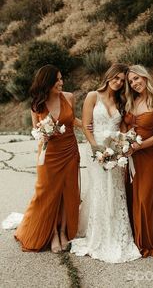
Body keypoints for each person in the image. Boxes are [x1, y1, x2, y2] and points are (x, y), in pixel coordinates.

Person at [70, 63, 141, 263]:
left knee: (116, 189)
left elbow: (125, 126)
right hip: (96, 150)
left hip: (116, 150)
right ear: (108, 76)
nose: (118, 83)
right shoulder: (93, 96)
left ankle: (118, 234)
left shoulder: (121, 100)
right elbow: (85, 125)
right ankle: (98, 235)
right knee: (101, 188)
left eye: (122, 80)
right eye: (116, 78)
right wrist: (95, 147)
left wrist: (124, 143)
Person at [15, 64, 81, 253]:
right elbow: (35, 129)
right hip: (49, 153)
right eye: (57, 79)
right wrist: (42, 133)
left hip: (69, 150)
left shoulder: (68, 97)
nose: (61, 82)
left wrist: (90, 129)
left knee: (67, 192)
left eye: (61, 79)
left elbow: (72, 120)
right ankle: (51, 234)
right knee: (47, 192)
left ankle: (62, 232)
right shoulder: (37, 104)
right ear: (48, 81)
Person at [124, 64, 153, 257]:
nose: (134, 84)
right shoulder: (129, 102)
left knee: (145, 198)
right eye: (131, 81)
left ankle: (147, 241)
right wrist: (123, 144)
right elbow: (123, 127)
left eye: (136, 79)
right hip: (129, 156)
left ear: (145, 77)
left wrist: (139, 146)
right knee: (131, 195)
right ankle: (133, 238)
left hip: (148, 155)